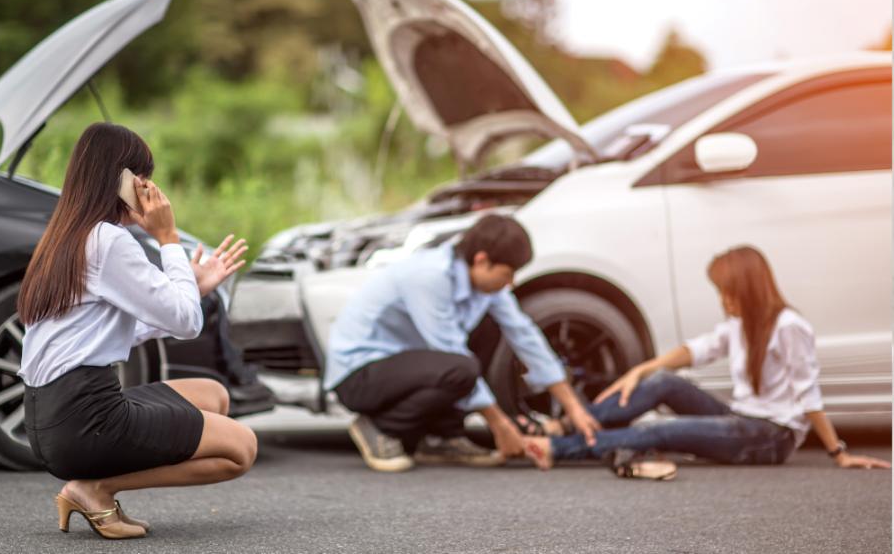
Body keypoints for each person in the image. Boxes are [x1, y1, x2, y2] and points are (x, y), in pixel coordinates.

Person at [19, 122, 257, 539]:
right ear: (121, 180)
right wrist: (168, 239)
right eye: (141, 177)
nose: (149, 188)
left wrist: (194, 286)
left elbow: (121, 329)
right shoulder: (109, 241)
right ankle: (95, 488)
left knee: (212, 394)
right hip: (85, 420)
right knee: (241, 449)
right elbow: (186, 324)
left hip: (51, 418)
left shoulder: (65, 237)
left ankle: (91, 485)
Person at [523, 246, 891, 475]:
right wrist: (642, 370)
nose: (723, 301)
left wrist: (838, 452)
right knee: (664, 383)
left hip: (769, 437)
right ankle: (564, 427)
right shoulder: (741, 324)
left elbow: (808, 395)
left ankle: (555, 447)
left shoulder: (788, 327)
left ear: (747, 291)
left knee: (660, 431)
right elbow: (695, 351)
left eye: (727, 293)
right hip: (741, 419)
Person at [324, 214, 600, 472]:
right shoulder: (429, 276)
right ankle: (379, 428)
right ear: (482, 260)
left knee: (489, 332)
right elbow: (449, 350)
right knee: (461, 367)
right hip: (358, 374)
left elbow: (524, 334)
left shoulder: (485, 287)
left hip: (403, 366)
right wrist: (500, 425)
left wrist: (573, 407)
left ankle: (440, 437)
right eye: (507, 273)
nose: (511, 283)